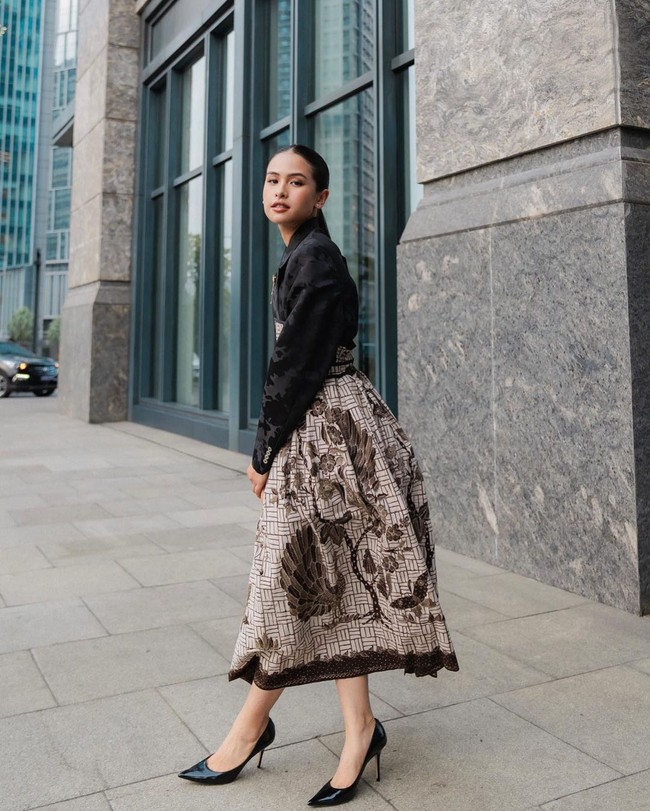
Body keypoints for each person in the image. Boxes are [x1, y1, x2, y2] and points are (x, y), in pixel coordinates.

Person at [178, 144, 459, 806]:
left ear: (320, 196)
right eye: (273, 179)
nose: (280, 190)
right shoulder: (303, 255)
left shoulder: (317, 262)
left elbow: (295, 367)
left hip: (332, 439)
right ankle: (333, 726)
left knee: (299, 577)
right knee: (325, 582)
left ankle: (274, 730)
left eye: (296, 181)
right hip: (326, 430)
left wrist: (262, 450)